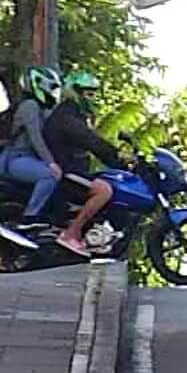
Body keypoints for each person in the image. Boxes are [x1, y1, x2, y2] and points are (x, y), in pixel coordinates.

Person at [43, 70, 125, 256]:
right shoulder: (67, 116)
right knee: (104, 190)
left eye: (94, 93)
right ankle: (71, 233)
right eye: (89, 93)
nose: (93, 98)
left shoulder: (74, 115)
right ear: (75, 92)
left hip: (73, 169)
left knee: (107, 182)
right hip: (66, 171)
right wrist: (115, 157)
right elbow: (90, 141)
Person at [0, 66, 65, 230]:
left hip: (28, 158)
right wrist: (51, 163)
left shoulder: (42, 109)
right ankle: (30, 217)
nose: (54, 92)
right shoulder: (30, 106)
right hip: (16, 159)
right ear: (39, 84)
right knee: (50, 175)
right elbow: (36, 137)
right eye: (52, 87)